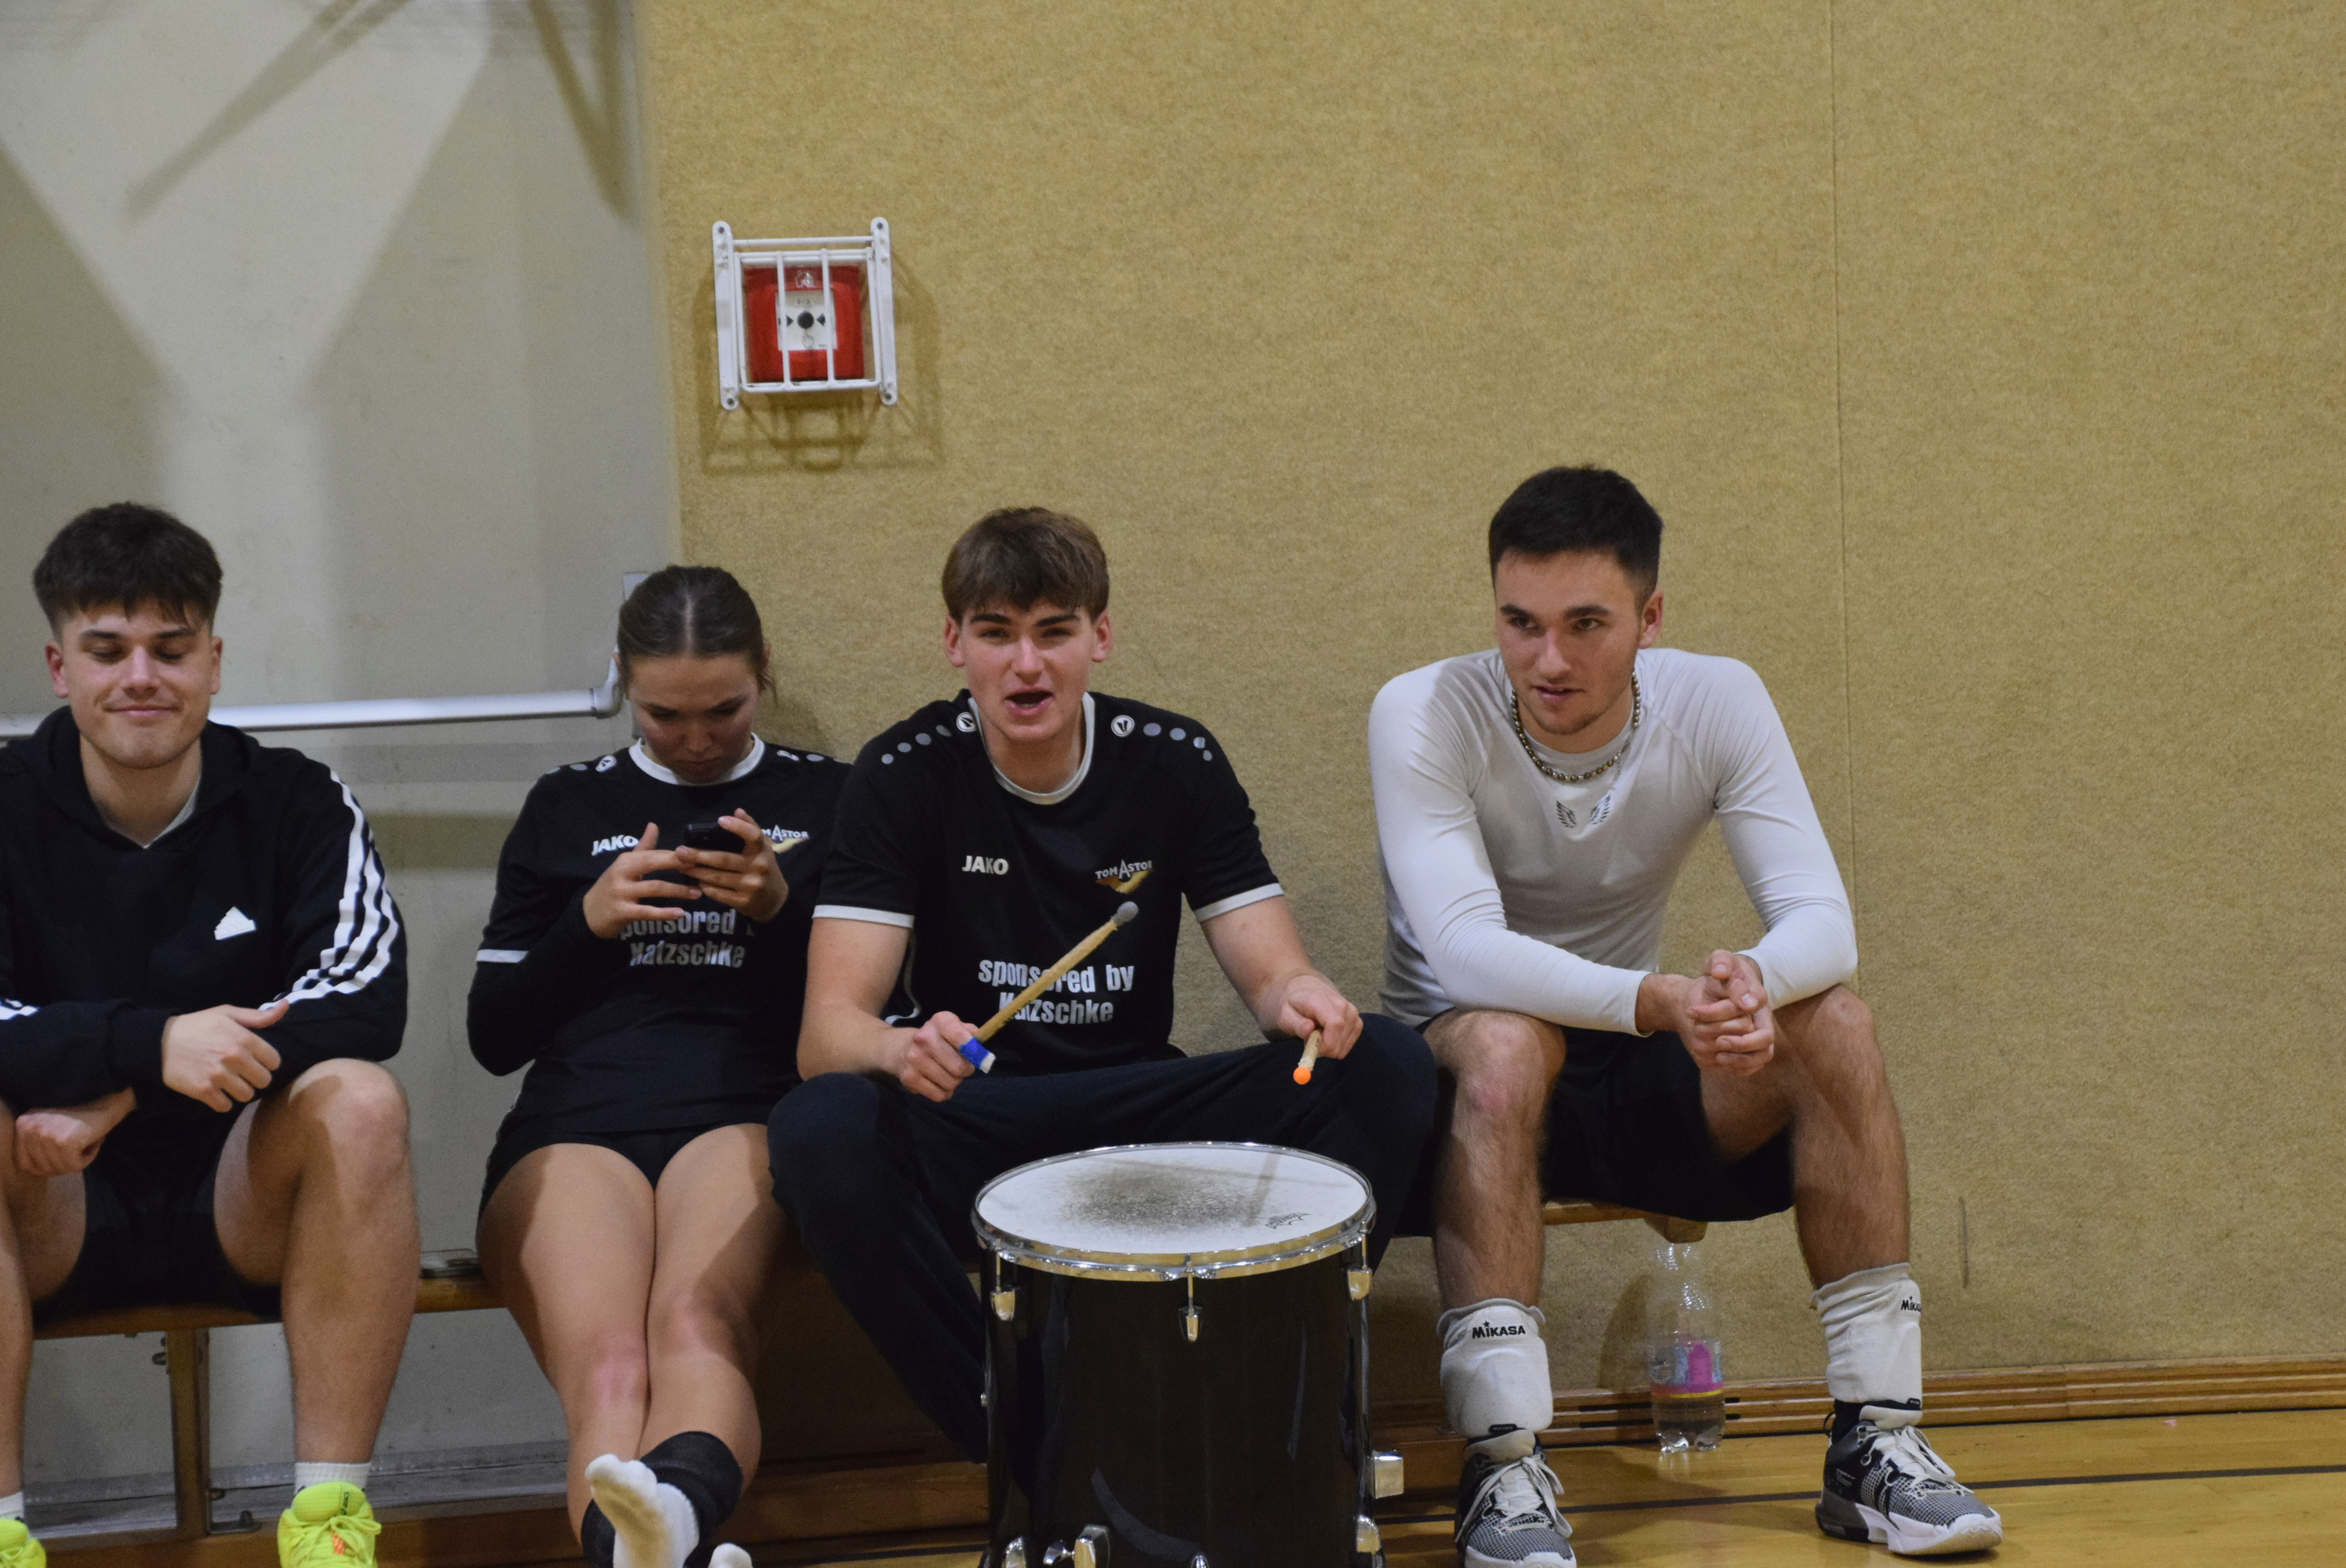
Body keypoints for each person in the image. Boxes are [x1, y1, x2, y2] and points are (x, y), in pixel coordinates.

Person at [1369, 468, 2003, 1565]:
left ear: (1650, 618)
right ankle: (1503, 1465)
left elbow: (1824, 924)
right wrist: (1662, 1000)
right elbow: (1464, 953)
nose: (1548, 659)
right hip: (1465, 1074)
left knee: (1835, 1023)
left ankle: (1876, 1439)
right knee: (1509, 1040)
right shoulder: (1421, 708)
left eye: (1585, 624)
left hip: (1628, 1059)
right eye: (1519, 623)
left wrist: (1747, 986)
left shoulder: (1717, 698)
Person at [767, 506, 1437, 1462]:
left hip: (1138, 1115)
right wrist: (898, 1048)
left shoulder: (1173, 758)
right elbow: (826, 1034)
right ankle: (1027, 1434)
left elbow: (1273, 973)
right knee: (818, 1127)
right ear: (954, 642)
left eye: (1054, 632)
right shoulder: (903, 771)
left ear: (1100, 636)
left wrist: (1299, 995)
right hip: (978, 1113)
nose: (1026, 665)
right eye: (996, 633)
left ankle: (1258, 1399)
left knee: (1387, 1062)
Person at [0, 504, 416, 1568]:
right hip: (46, 1198)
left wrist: (125, 1084)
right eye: (108, 650)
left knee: (361, 1099)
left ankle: (329, 1529)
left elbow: (366, 998)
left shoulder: (297, 799)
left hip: (242, 1196)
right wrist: (150, 1043)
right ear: (59, 666)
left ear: (214, 663)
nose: (141, 676)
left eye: (171, 649)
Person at [469, 566, 845, 1568]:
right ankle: (664, 1540)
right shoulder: (565, 803)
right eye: (663, 714)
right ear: (624, 684)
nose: (695, 739)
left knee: (694, 1322)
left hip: (745, 1107)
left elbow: (865, 1017)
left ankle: (650, 1542)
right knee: (607, 1365)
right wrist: (586, 924)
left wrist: (779, 912)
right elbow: (492, 1035)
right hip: (576, 1119)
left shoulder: (828, 797)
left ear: (764, 673)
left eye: (724, 709)